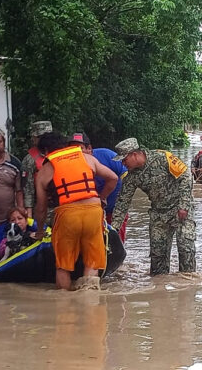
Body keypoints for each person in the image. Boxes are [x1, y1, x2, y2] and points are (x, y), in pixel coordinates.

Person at [34, 133, 119, 290]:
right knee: (92, 262)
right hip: (93, 212)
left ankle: (65, 307)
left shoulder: (44, 171)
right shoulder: (86, 158)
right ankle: (90, 303)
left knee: (63, 266)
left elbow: (41, 208)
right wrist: (102, 198)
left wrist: (40, 231)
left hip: (67, 214)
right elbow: (113, 178)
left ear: (45, 151)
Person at [111, 137, 196, 275]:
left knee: (185, 247)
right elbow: (122, 203)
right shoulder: (130, 177)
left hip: (180, 208)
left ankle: (188, 284)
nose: (123, 163)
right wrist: (113, 229)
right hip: (159, 213)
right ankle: (159, 289)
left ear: (134, 154)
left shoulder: (163, 158)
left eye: (124, 159)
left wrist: (184, 205)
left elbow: (185, 176)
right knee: (157, 257)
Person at [67, 132, 129, 241]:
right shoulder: (68, 165)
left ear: (89, 149)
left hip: (114, 208)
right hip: (91, 211)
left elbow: (126, 175)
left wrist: (108, 198)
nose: (76, 153)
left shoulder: (106, 155)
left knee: (116, 240)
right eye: (71, 150)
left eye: (80, 148)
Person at [21, 121, 53, 218]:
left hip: (61, 207)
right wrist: (29, 215)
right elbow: (28, 189)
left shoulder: (59, 153)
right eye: (39, 137)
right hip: (41, 209)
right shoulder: (29, 159)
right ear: (34, 138)